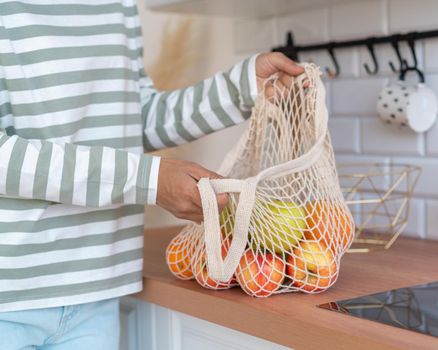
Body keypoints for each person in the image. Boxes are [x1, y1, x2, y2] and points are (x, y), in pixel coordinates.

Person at [0, 1, 304, 349]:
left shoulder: (118, 5)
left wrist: (239, 89)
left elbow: (131, 119)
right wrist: (149, 179)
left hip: (99, 289)